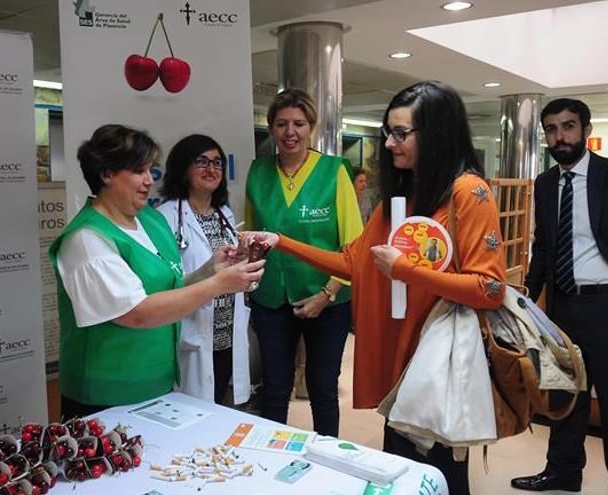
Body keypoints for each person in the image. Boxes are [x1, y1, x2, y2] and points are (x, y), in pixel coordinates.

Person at [243, 81, 506, 494]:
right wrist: (282, 242)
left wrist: (405, 270)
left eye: (401, 133)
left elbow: (490, 288)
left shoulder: (468, 193)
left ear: (435, 132)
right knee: (400, 467)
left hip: (438, 360)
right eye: (388, 131)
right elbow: (353, 260)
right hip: (399, 360)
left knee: (438, 473)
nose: (387, 143)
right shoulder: (402, 196)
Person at [49, 125, 264, 419]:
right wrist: (218, 286)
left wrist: (209, 272)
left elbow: (165, 290)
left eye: (151, 170)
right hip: (106, 395)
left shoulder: (149, 221)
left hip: (158, 382)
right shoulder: (87, 239)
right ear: (106, 173)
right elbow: (135, 312)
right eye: (139, 170)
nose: (149, 180)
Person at [510, 99, 608, 495]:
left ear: (586, 129)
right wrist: (525, 301)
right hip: (561, 311)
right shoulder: (544, 184)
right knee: (565, 397)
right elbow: (543, 247)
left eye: (568, 126)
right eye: (552, 129)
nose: (560, 136)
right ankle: (562, 472)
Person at [244, 88, 363, 437]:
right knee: (275, 388)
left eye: (298, 123)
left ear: (311, 127)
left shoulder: (334, 171)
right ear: (271, 129)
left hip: (328, 298)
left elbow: (352, 248)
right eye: (281, 124)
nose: (290, 131)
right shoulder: (258, 172)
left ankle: (327, 463)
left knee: (322, 388)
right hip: (272, 299)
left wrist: (326, 294)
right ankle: (268, 461)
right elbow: (253, 235)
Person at [156, 134, 251, 405]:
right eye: (201, 161)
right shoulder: (165, 218)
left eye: (218, 163)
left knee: (220, 402)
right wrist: (209, 272)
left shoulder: (225, 214)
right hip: (192, 333)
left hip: (225, 334)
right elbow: (165, 283)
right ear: (183, 168)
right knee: (188, 412)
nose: (211, 169)